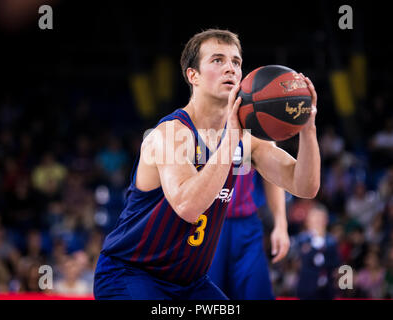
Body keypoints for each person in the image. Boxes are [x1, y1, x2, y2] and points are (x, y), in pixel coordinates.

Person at [93, 28, 320, 300]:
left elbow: (304, 185)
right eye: (217, 60)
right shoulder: (170, 135)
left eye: (236, 62)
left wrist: (307, 131)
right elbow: (188, 207)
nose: (230, 69)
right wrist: (232, 137)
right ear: (193, 76)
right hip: (131, 273)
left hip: (190, 284)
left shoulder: (248, 141)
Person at [208, 169, 289, 299]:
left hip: (246, 225)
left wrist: (281, 224)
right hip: (206, 225)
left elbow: (273, 172)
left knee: (257, 292)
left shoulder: (251, 147)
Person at [294, 204, 340, 300]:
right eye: (315, 217)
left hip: (327, 291)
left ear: (326, 220)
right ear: (308, 221)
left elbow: (336, 264)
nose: (318, 221)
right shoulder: (302, 239)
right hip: (306, 289)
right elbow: (297, 262)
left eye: (320, 218)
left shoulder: (331, 241)